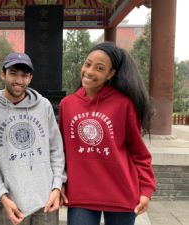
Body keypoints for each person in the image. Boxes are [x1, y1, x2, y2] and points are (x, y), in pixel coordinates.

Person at [59, 41, 156, 225]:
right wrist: (60, 182)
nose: (89, 71)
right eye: (87, 64)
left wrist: (146, 189)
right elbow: (62, 150)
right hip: (81, 194)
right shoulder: (67, 104)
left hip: (121, 192)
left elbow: (138, 152)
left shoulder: (124, 104)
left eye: (99, 68)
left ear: (111, 74)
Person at [0, 52, 66, 225]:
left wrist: (57, 186)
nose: (19, 80)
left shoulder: (43, 106)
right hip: (10, 202)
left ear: (30, 78)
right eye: (13, 73)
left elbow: (56, 149)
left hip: (46, 199)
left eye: (24, 75)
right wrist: (1, 195)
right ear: (3, 74)